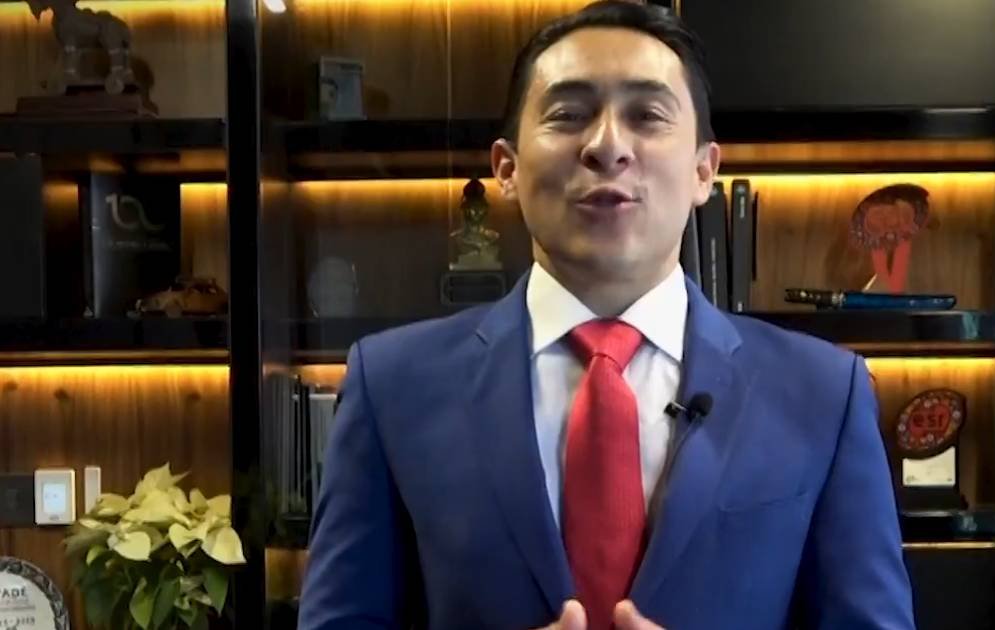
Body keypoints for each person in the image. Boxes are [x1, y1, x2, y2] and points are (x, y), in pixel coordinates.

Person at [297, 2, 914, 628]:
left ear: (704, 170)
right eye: (568, 115)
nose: (607, 146)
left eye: (647, 115)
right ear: (506, 168)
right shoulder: (392, 384)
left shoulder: (822, 394)